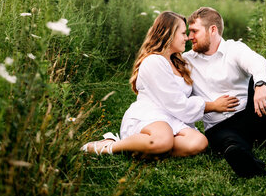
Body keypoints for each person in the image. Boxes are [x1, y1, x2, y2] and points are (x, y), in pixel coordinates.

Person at [81, 11, 238, 156]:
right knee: (163, 139)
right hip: (152, 115)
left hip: (175, 118)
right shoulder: (153, 61)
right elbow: (177, 104)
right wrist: (213, 105)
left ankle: (150, 148)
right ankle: (110, 145)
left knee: (199, 143)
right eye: (183, 33)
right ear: (168, 34)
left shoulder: (180, 63)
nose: (187, 37)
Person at [183, 7, 266, 177]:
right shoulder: (186, 60)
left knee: (264, 81)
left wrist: (260, 86)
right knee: (231, 146)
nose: (190, 36)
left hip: (252, 117)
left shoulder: (233, 49)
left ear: (212, 30)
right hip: (219, 127)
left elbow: (258, 62)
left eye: (194, 31)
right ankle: (246, 161)